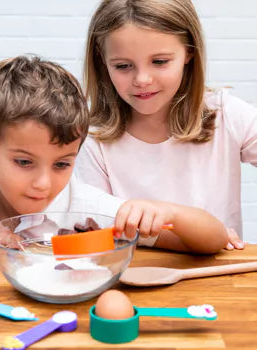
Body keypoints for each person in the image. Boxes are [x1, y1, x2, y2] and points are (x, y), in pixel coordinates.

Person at [0, 55, 227, 254]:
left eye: (62, 164)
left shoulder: (89, 212)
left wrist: (167, 212)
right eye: (24, 162)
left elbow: (214, 240)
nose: (43, 184)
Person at [76, 0, 257, 250]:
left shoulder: (226, 115)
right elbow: (105, 230)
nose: (142, 79)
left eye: (159, 62)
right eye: (123, 66)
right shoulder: (95, 140)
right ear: (102, 60)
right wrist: (205, 235)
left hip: (220, 282)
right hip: (135, 279)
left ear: (189, 53)